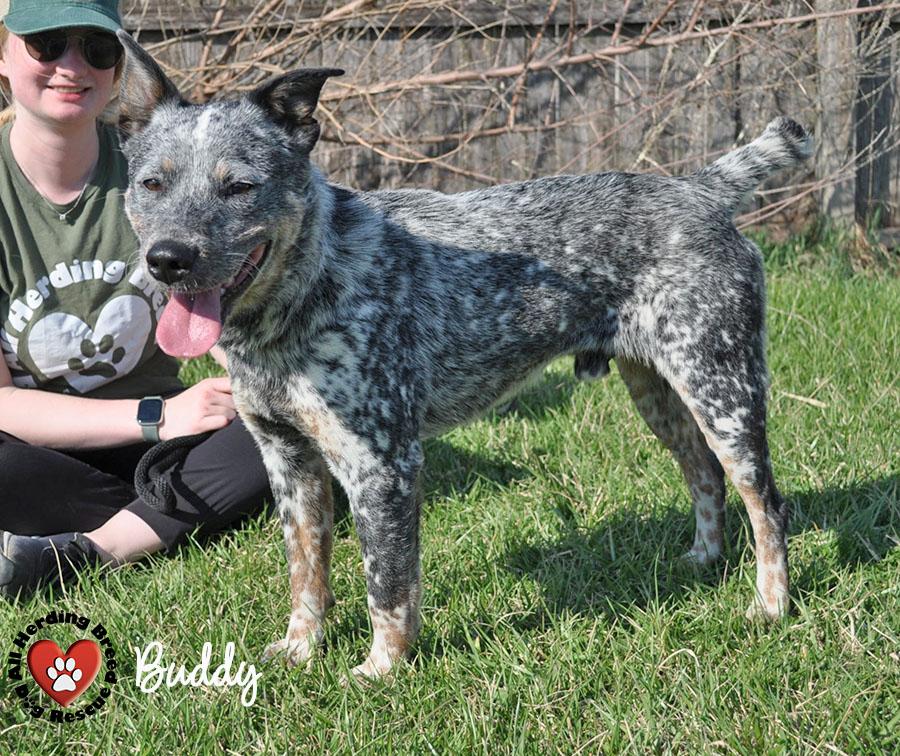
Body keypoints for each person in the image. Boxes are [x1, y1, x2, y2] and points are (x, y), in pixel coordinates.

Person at [0, 0, 272, 600]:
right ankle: (170, 511)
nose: (73, 66)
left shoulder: (160, 167)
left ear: (118, 69)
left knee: (284, 422)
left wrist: (257, 384)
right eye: (46, 43)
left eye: (97, 49)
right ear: (2, 54)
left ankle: (93, 549)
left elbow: (231, 329)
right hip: (40, 444)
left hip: (167, 436)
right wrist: (157, 418)